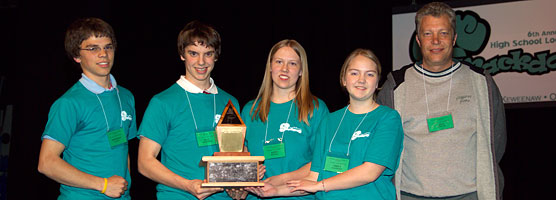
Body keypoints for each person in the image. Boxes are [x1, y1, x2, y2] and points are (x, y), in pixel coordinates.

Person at [376, 2, 507, 200]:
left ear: (454, 38)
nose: (435, 41)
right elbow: (382, 144)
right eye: (428, 34)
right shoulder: (395, 85)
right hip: (410, 195)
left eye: (443, 33)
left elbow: (496, 142)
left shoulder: (481, 82)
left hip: (469, 195)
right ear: (419, 40)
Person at [247, 48, 403, 200]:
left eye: (370, 74)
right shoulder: (330, 121)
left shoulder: (388, 118)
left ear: (377, 82)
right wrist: (275, 190)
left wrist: (320, 185)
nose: (361, 80)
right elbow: (312, 178)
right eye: (354, 73)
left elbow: (370, 172)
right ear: (343, 79)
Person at [137, 20, 240, 200]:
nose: (201, 62)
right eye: (193, 53)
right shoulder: (162, 102)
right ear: (182, 54)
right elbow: (145, 162)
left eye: (208, 54)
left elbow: (235, 155)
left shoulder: (230, 102)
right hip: (178, 195)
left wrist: (238, 186)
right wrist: (187, 185)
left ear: (216, 56)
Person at [38, 17, 136, 199]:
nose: (103, 54)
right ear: (76, 55)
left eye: (108, 46)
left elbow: (123, 150)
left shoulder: (126, 96)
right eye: (93, 48)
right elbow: (46, 163)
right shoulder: (69, 103)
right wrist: (103, 185)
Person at [241, 39, 329, 200]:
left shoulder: (315, 109)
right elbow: (241, 157)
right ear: (270, 66)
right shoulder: (250, 110)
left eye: (293, 64)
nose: (284, 69)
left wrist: (279, 181)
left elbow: (321, 161)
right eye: (279, 62)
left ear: (301, 70)